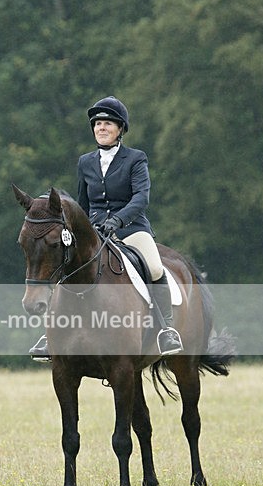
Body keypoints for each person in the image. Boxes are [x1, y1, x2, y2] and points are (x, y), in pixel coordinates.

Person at [29, 96, 183, 360]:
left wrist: (118, 220)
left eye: (107, 123)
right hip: (95, 231)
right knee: (62, 263)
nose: (101, 128)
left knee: (156, 267)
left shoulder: (136, 159)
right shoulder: (85, 162)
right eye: (97, 124)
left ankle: (166, 329)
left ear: (120, 128)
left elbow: (141, 198)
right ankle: (50, 334)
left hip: (131, 230)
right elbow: (83, 204)